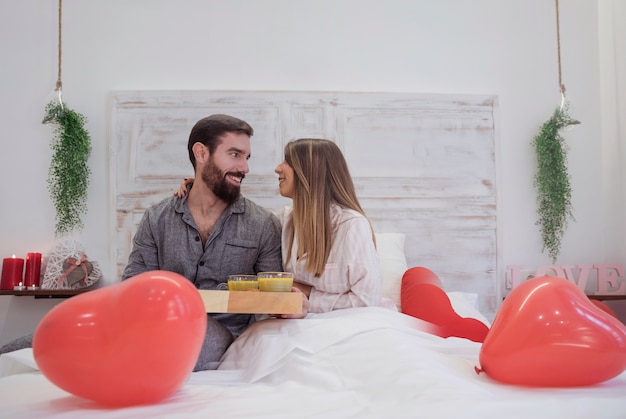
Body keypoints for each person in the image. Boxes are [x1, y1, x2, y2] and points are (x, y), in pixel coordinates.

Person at [122, 113, 300, 371]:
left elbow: (271, 298)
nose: (245, 168)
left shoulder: (262, 224)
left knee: (197, 339)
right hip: (161, 328)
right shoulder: (156, 219)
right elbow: (133, 288)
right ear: (201, 153)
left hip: (226, 335)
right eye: (235, 154)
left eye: (246, 157)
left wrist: (292, 302)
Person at [177, 138, 392, 314]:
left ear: (310, 172)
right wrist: (205, 189)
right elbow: (242, 220)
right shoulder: (283, 221)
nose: (277, 168)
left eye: (287, 162)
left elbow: (367, 302)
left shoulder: (351, 226)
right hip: (297, 324)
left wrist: (308, 296)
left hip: (350, 326)